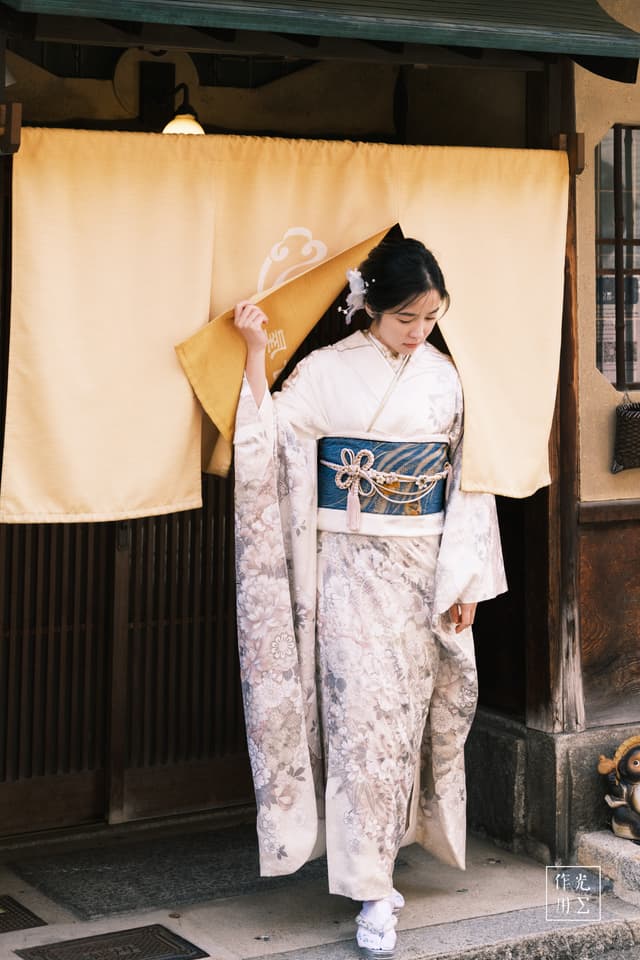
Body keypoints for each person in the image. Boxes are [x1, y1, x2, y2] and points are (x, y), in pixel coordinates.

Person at [232, 237, 507, 959]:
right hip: (350, 567)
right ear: (372, 309)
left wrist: (467, 581)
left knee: (400, 721)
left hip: (422, 570)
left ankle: (384, 859)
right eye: (406, 317)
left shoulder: (445, 378)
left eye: (431, 317)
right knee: (358, 720)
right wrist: (257, 354)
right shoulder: (326, 372)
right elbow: (271, 439)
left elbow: (470, 482)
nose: (419, 331)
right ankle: (371, 892)